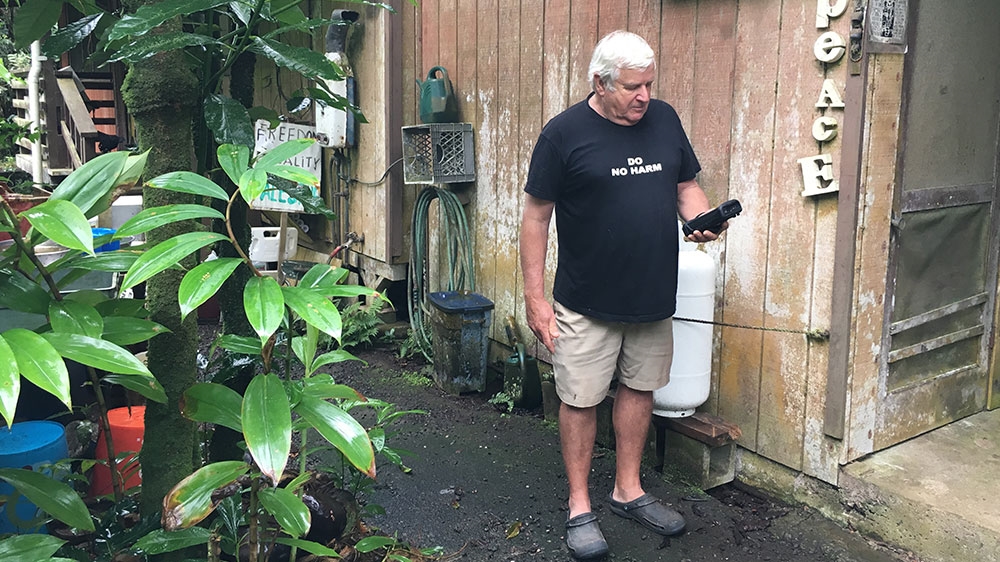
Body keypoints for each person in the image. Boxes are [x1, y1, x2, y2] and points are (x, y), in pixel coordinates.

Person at [519, 30, 726, 560]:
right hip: (585, 300)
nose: (644, 97)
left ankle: (627, 489)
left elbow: (685, 186)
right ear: (601, 82)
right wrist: (536, 298)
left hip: (653, 293)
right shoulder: (563, 134)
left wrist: (700, 219)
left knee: (640, 389)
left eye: (649, 85)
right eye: (633, 87)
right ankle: (580, 504)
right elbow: (536, 217)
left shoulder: (664, 119)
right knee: (580, 398)